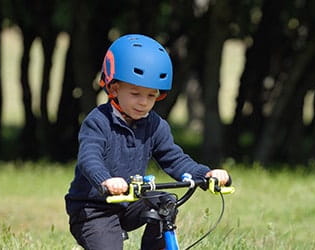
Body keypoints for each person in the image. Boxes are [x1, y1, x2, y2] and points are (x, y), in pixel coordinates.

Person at [64, 34, 230, 250]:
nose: (143, 103)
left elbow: (175, 160)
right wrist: (105, 180)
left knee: (165, 202)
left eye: (151, 96)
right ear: (114, 89)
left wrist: (206, 174)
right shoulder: (98, 122)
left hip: (128, 203)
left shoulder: (155, 125)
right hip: (93, 210)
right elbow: (89, 158)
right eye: (135, 94)